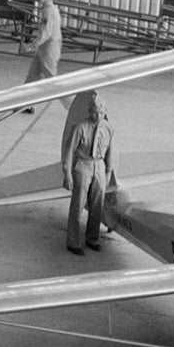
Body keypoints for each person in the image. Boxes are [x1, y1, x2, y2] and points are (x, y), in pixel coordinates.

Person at [61, 90, 117, 255]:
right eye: (95, 111)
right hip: (83, 165)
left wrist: (107, 173)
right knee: (78, 204)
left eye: (101, 111)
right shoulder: (80, 128)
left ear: (105, 112)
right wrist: (68, 174)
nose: (98, 115)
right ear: (89, 111)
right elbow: (69, 152)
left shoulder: (108, 129)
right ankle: (73, 242)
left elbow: (110, 153)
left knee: (97, 205)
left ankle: (92, 238)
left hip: (99, 166)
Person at [20, 0, 62, 112]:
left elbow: (46, 33)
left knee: (52, 79)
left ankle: (72, 103)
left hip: (49, 49)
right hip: (44, 49)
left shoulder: (49, 11)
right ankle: (26, 104)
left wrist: (31, 46)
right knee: (32, 76)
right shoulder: (49, 9)